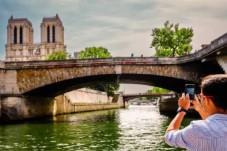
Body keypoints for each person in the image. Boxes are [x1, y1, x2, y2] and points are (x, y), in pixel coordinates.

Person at [164, 74, 227, 151]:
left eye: (201, 96)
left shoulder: (197, 129)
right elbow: (216, 125)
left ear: (206, 100)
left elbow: (168, 137)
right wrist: (199, 109)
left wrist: (182, 110)